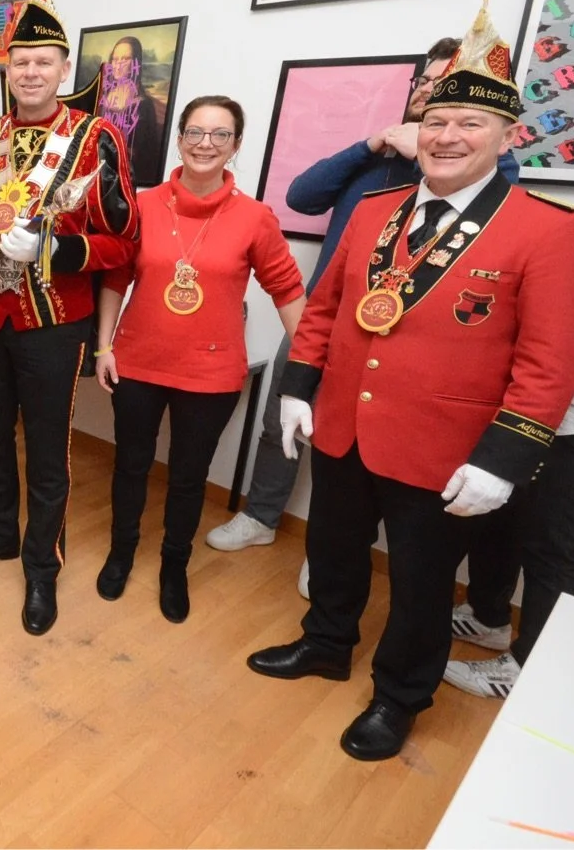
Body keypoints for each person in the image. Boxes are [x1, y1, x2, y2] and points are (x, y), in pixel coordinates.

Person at [245, 0, 574, 762]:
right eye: (437, 120)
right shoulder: (375, 209)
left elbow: (551, 364)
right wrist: (299, 388)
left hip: (445, 450)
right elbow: (326, 308)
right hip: (343, 426)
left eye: (470, 123)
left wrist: (503, 461)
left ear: (508, 135)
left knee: (421, 584)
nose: (447, 136)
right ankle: (326, 643)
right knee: (334, 553)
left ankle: (400, 696)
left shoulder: (552, 229)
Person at [204, 37, 520, 580]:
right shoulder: (376, 157)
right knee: (280, 422)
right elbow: (301, 197)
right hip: (321, 320)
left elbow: (499, 215)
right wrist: (371, 144)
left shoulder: (489, 168)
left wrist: (425, 158)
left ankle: (331, 554)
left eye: (443, 84)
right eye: (425, 81)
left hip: (404, 337)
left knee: (364, 444)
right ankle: (261, 516)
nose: (428, 91)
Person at [0, 0, 140, 637]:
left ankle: (41, 566)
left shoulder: (96, 139)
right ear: (8, 67)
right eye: (20, 60)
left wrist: (58, 249)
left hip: (55, 325)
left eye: (43, 61)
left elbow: (124, 243)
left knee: (48, 451)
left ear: (63, 68)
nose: (30, 71)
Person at [444, 94, 574, 699]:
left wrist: (546, 338)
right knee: (503, 524)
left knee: (553, 549)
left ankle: (534, 671)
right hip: (552, 411)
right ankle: (489, 618)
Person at [94, 96, 304, 622]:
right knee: (131, 465)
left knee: (189, 478)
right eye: (195, 132)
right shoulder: (144, 205)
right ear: (180, 138)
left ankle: (174, 565)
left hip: (210, 374)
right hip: (137, 362)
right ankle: (121, 552)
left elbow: (286, 290)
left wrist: (306, 371)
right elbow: (116, 278)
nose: (205, 144)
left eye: (219, 134)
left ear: (236, 144)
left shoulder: (255, 218)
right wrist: (104, 346)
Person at [96, 35, 165, 188]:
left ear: (135, 63)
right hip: (96, 178)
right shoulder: (99, 99)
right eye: (115, 59)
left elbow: (148, 154)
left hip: (126, 181)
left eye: (125, 59)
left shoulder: (144, 105)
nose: (118, 65)